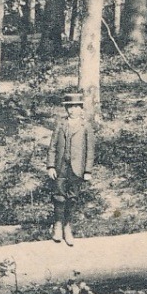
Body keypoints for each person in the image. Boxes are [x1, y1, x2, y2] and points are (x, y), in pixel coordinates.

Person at [47, 90, 94, 245]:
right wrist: (51, 166)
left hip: (77, 168)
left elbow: (90, 150)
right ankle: (58, 225)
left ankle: (68, 226)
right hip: (61, 167)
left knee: (72, 197)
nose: (73, 110)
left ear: (81, 108)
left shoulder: (85, 126)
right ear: (66, 109)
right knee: (58, 195)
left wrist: (87, 170)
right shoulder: (60, 125)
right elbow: (53, 146)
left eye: (76, 107)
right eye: (70, 107)